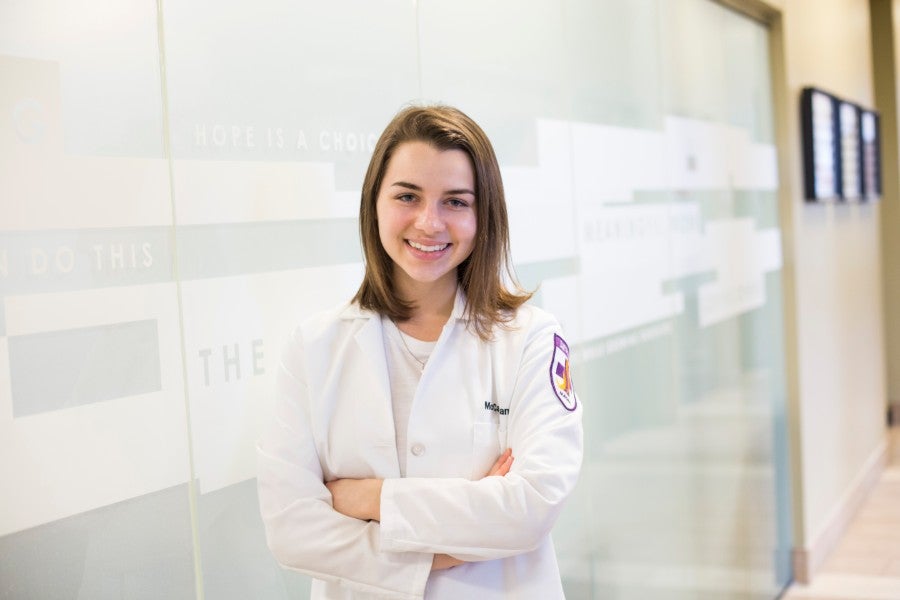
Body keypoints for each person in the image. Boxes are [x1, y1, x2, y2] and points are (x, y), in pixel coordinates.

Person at [257, 105, 583, 599]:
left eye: (456, 202)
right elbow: (292, 532)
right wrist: (452, 545)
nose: (429, 223)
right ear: (374, 204)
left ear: (483, 214)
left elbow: (531, 506)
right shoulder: (315, 348)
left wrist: (371, 498)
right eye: (407, 196)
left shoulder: (531, 340)